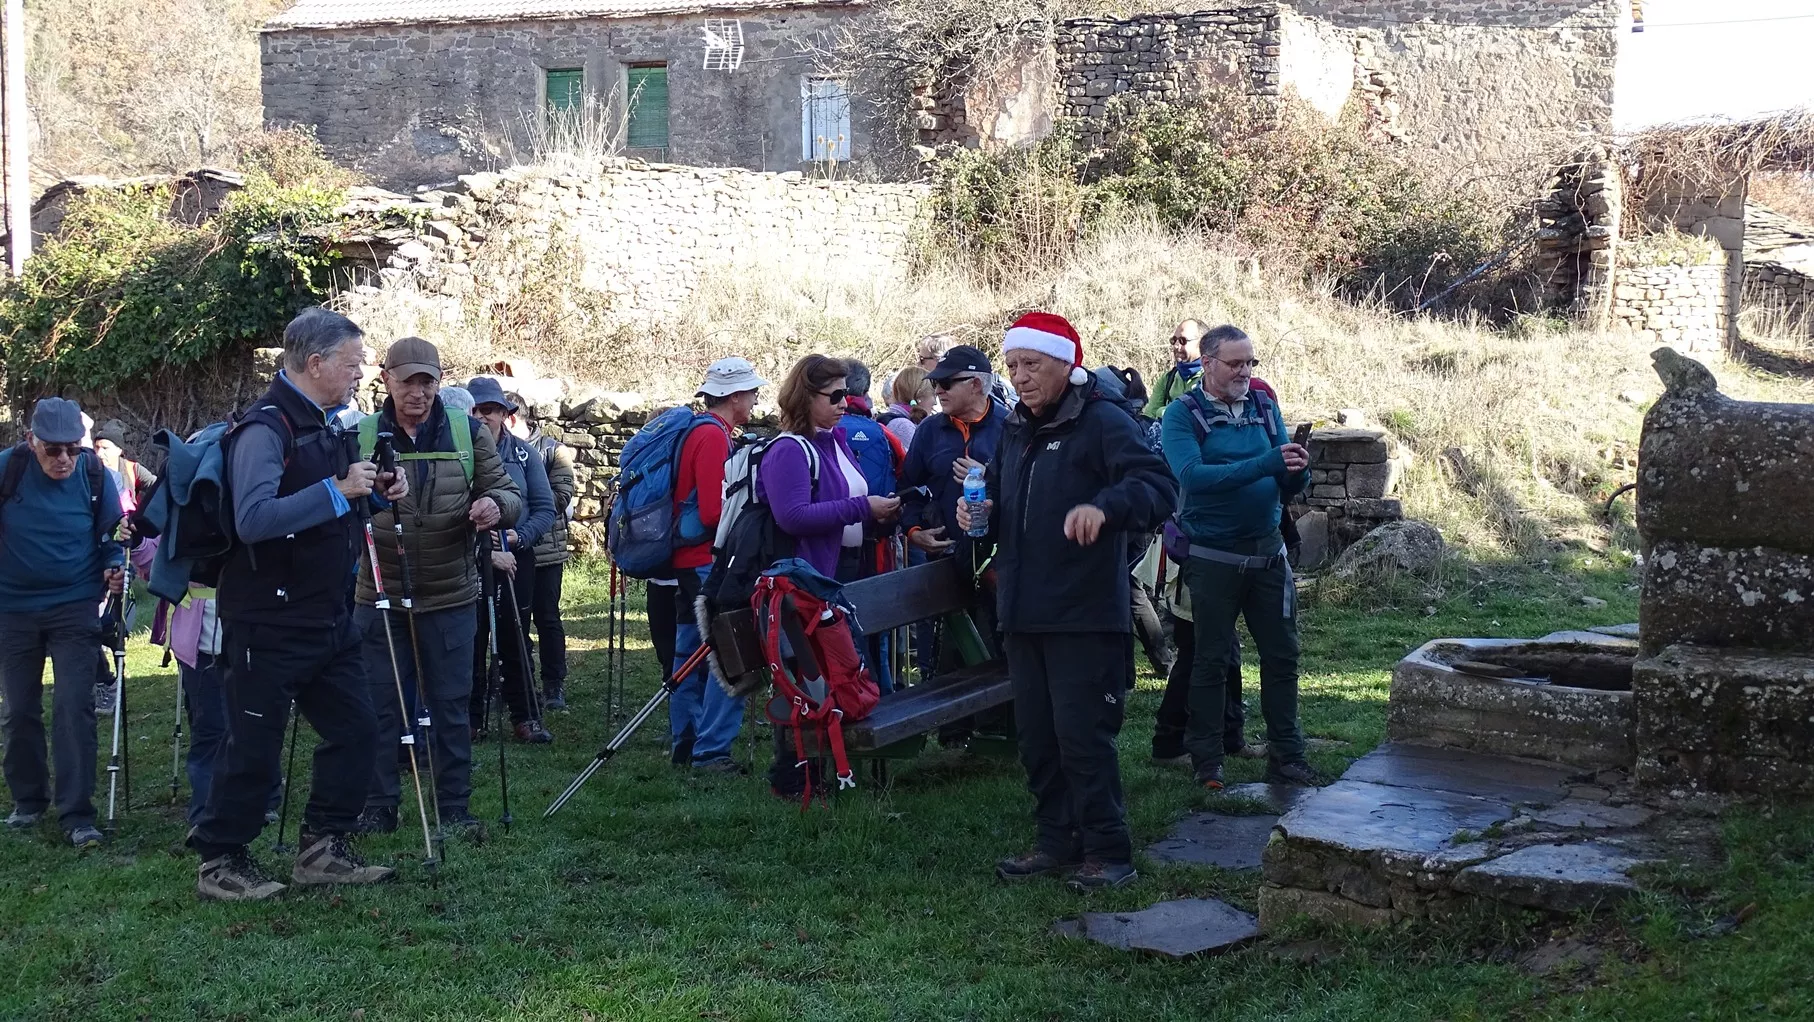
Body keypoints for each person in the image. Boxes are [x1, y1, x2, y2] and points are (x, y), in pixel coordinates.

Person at [187, 308, 405, 899]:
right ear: (315, 363)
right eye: (353, 363)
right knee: (253, 745)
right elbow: (254, 519)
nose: (361, 374)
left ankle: (321, 849)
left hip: (325, 615)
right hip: (267, 620)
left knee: (358, 729)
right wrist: (339, 489)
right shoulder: (265, 429)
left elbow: (332, 509)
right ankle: (221, 862)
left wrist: (376, 496)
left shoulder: (326, 425)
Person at [958, 312, 1176, 891]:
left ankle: (1109, 851)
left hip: (1084, 611)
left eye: (1032, 364)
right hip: (1024, 611)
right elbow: (1004, 506)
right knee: (1037, 736)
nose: (1021, 377)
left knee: (1084, 736)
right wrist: (977, 517)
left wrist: (1104, 508)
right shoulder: (1015, 427)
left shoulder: (1102, 421)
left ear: (1065, 364)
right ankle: (1056, 842)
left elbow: (1158, 486)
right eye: (1012, 366)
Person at [355, 336, 522, 840]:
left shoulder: (468, 432)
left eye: (428, 381)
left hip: (451, 594)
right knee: (383, 705)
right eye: (408, 381)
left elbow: (509, 492)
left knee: (451, 706)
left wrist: (496, 507)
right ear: (385, 380)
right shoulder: (358, 434)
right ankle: (379, 807)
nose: (418, 392)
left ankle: (454, 809)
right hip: (379, 596)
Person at [1160, 324, 1315, 792]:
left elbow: (1285, 479)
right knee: (1210, 659)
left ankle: (1288, 756)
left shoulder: (1265, 406)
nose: (1244, 372)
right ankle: (1207, 760)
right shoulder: (1180, 415)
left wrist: (1295, 474)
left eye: (1250, 363)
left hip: (1267, 552)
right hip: (1211, 557)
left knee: (1282, 656)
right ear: (1206, 363)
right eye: (1234, 363)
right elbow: (1194, 476)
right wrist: (1267, 465)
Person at [761, 354, 900, 795]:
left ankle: (828, 765)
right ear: (806, 397)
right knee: (808, 672)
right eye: (835, 395)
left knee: (834, 669)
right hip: (809, 578)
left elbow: (850, 499)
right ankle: (794, 773)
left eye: (848, 394)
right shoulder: (787, 450)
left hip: (843, 570)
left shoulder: (835, 439)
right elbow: (793, 516)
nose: (846, 402)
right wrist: (864, 508)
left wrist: (885, 515)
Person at [0, 398, 125, 850]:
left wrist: (114, 564)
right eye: (53, 449)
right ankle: (30, 800)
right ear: (31, 439)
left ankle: (77, 814)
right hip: (13, 608)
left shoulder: (94, 474)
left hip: (75, 605)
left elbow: (112, 533)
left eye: (73, 448)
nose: (64, 459)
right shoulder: (7, 470)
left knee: (75, 707)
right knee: (19, 709)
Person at [670, 357, 765, 773]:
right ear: (734, 395)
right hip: (706, 561)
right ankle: (711, 749)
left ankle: (687, 741)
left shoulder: (701, 431)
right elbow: (713, 512)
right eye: (751, 392)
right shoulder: (712, 438)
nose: (756, 399)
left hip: (689, 560)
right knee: (730, 649)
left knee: (688, 650)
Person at [466, 378, 557, 744]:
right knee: (471, 636)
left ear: (505, 414)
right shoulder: (458, 451)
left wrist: (522, 536)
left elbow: (544, 507)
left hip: (518, 559)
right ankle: (468, 718)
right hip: (468, 559)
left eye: (490, 410)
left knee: (515, 633)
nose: (483, 416)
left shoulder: (524, 455)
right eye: (476, 410)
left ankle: (526, 716)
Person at [837, 359, 904, 694]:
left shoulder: (816, 433)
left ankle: (854, 695)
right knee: (874, 626)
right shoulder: (882, 433)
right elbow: (904, 477)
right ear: (864, 390)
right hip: (876, 544)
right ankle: (883, 692)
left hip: (831, 547)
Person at [523, 409, 577, 712]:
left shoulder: (554, 450)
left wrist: (520, 504)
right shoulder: (491, 449)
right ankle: (515, 681)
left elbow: (562, 494)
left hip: (546, 551)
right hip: (510, 550)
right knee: (512, 620)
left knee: (547, 618)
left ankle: (553, 685)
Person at [1144, 319, 1208, 418]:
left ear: (1202, 343)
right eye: (1174, 340)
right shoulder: (1168, 378)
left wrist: (1162, 411)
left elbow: (1194, 415)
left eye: (1183, 341)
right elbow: (1149, 416)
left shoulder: (1212, 378)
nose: (1177, 346)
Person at [92, 424, 157, 513]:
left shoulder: (132, 469)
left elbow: (157, 486)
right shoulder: (90, 471)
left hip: (127, 523)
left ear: (119, 450)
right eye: (97, 447)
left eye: (105, 448)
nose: (99, 453)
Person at [880, 365, 932, 448]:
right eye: (933, 395)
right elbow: (917, 460)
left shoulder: (901, 421)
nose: (935, 402)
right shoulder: (903, 426)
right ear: (919, 395)